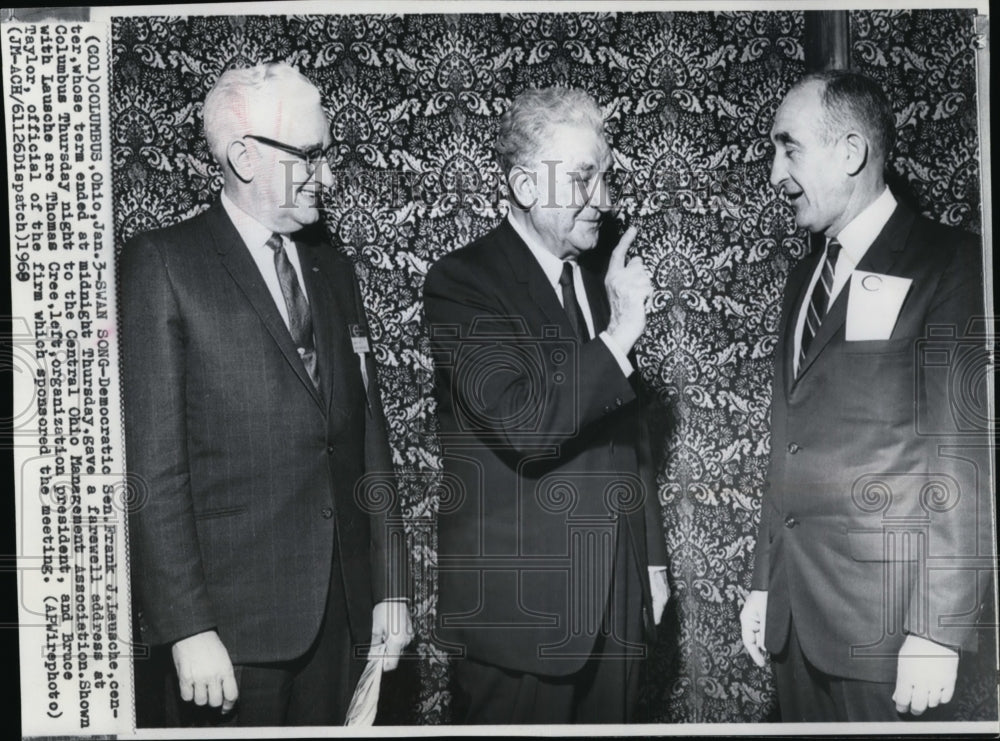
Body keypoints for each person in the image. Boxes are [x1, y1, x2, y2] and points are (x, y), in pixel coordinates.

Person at [120, 62, 413, 726]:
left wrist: (391, 588)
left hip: (341, 621)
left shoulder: (331, 269)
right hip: (229, 640)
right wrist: (187, 627)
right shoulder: (164, 264)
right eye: (310, 156)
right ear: (244, 156)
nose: (328, 178)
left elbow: (369, 435)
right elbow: (152, 469)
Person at [740, 70, 991, 722]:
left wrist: (938, 627)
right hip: (796, 619)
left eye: (788, 147)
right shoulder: (804, 278)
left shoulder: (953, 263)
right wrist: (765, 583)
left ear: (850, 152)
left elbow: (963, 453)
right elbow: (788, 435)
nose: (774, 173)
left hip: (890, 636)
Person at [423, 86, 670, 724]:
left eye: (607, 179)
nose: (604, 201)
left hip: (615, 610)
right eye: (585, 179)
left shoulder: (596, 282)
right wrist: (617, 339)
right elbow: (524, 424)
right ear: (526, 186)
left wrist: (649, 559)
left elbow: (625, 438)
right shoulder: (462, 283)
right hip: (520, 622)